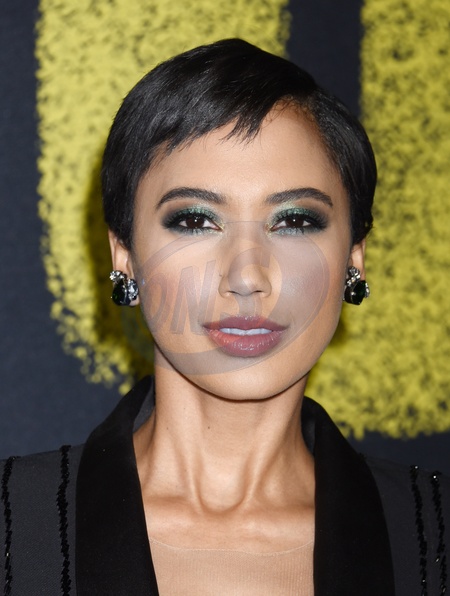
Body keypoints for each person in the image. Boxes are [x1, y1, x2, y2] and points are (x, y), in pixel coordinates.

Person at [1, 39, 448, 596]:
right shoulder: (14, 521)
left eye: (294, 221)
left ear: (353, 257)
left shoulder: (431, 532)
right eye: (194, 221)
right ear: (125, 255)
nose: (247, 275)